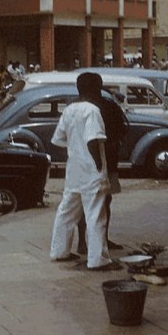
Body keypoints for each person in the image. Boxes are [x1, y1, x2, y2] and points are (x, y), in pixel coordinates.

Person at [49, 72, 120, 271]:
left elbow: (59, 139)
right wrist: (98, 164)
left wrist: (74, 152)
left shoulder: (69, 110)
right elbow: (93, 140)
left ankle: (59, 251)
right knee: (96, 214)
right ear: (97, 89)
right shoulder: (92, 111)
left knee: (66, 212)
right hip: (91, 171)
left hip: (74, 170)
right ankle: (98, 260)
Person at [76, 82, 129, 254]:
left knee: (84, 202)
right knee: (105, 201)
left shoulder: (74, 107)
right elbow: (122, 129)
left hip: (80, 161)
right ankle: (101, 240)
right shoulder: (108, 106)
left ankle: (83, 242)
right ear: (98, 87)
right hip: (105, 161)